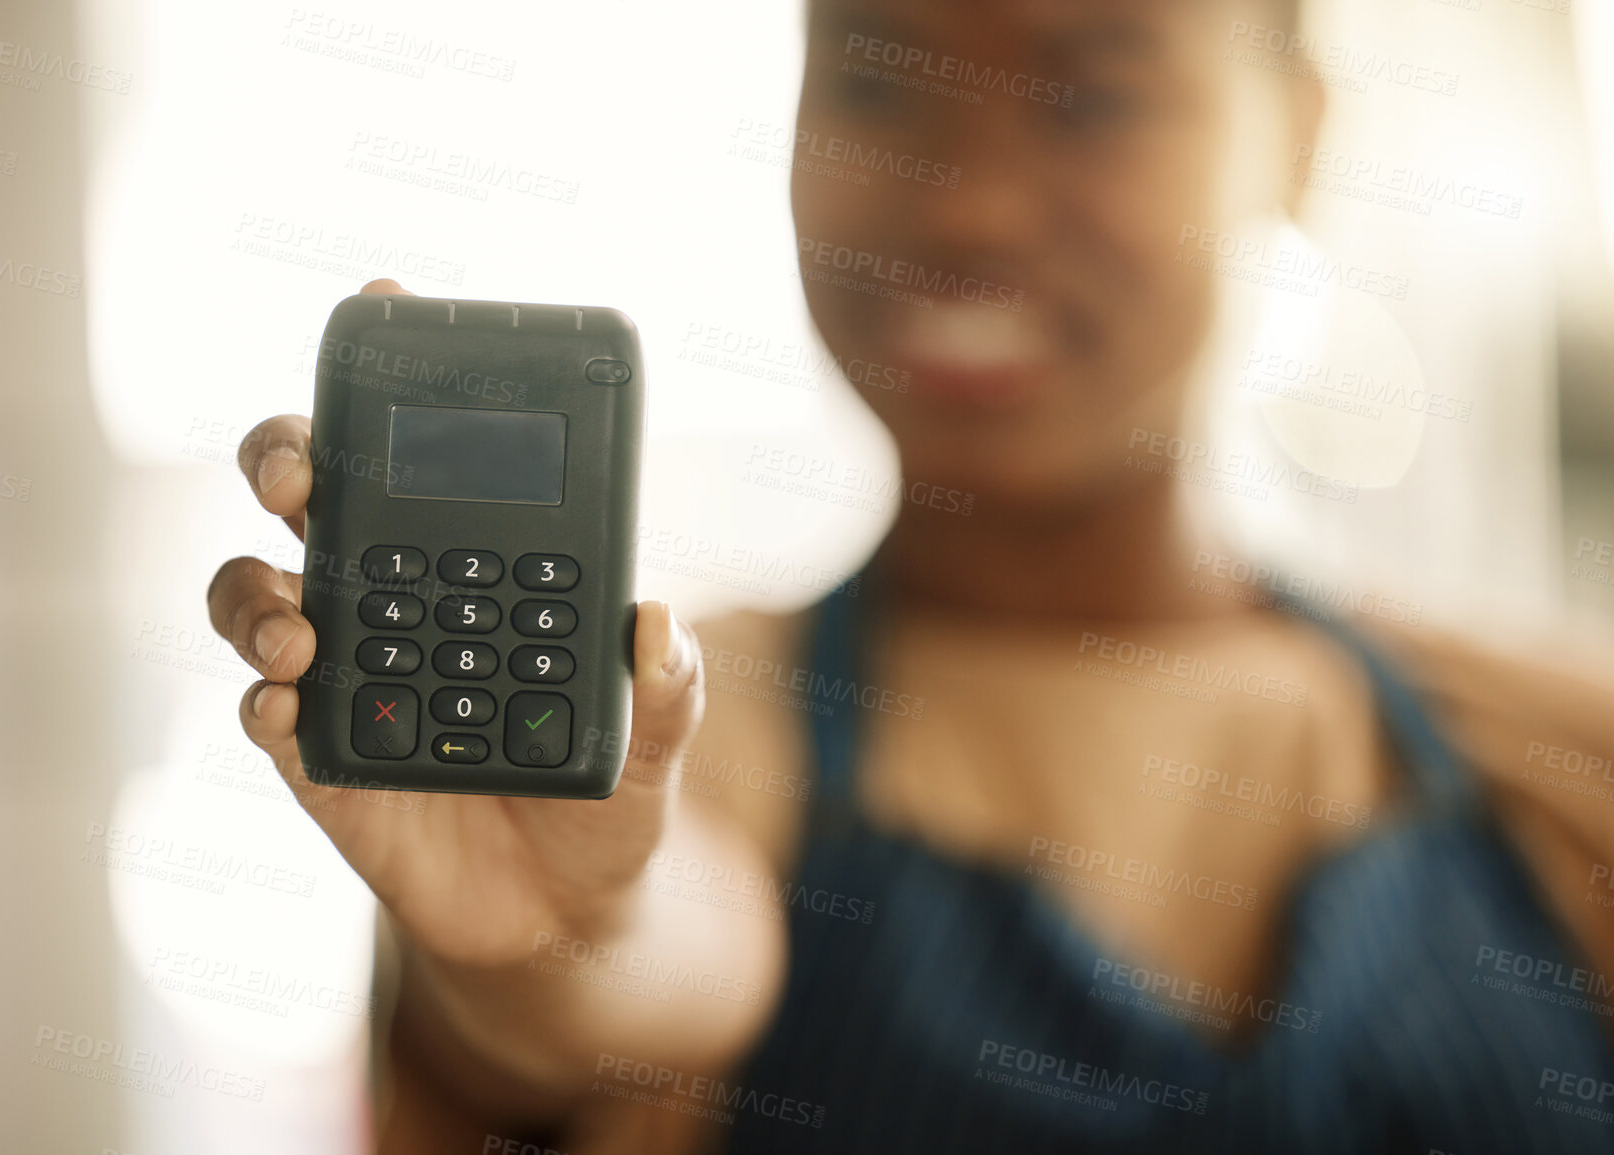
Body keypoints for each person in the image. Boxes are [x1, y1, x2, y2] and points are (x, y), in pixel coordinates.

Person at [206, 0, 1614, 1150]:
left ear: (1298, 138)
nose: (971, 214)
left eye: (1091, 95)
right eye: (878, 85)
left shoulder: (1568, 760)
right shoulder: (684, 726)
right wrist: (563, 931)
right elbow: (635, 954)